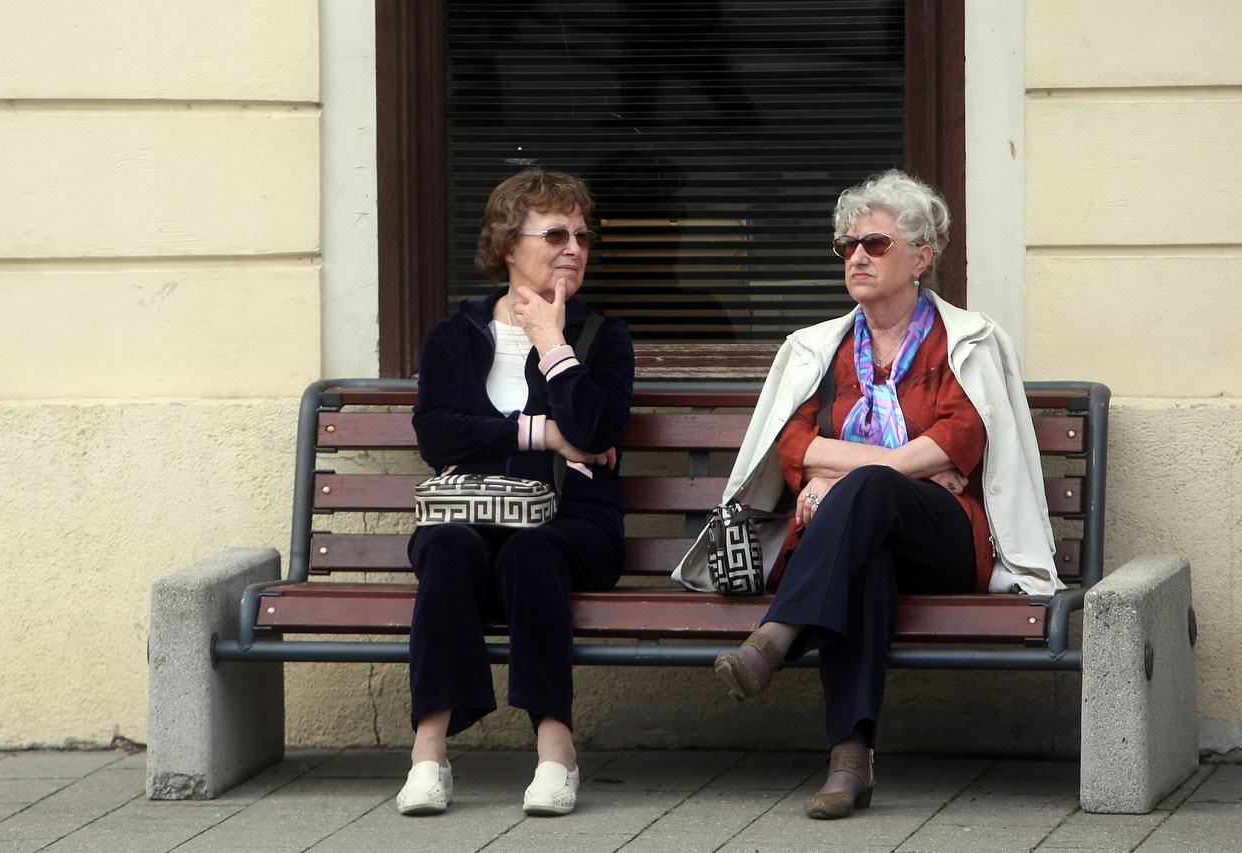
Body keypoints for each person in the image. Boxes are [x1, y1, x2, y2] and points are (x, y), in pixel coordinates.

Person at [674, 170, 1062, 819]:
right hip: (853, 539)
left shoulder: (964, 341)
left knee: (871, 492)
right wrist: (889, 465)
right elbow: (793, 444)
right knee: (866, 558)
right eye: (846, 245)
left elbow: (962, 434)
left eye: (875, 243)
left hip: (944, 541)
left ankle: (775, 636)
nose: (856, 255)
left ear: (921, 256)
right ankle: (849, 763)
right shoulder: (819, 348)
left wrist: (847, 477)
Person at [396, 168, 635, 817]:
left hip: (575, 522)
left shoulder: (599, 336)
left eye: (583, 236)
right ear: (508, 243)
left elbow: (598, 426)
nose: (574, 249)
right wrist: (544, 433)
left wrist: (552, 345)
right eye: (556, 233)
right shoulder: (454, 335)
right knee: (445, 548)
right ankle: (429, 754)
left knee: (531, 553)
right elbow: (438, 434)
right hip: (471, 516)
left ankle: (556, 752)